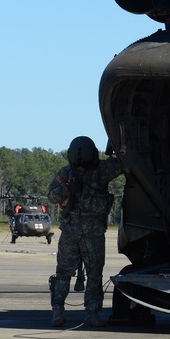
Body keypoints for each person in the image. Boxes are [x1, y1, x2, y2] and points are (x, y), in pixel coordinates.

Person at [47, 136, 123, 327]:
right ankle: (58, 311)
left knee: (95, 274)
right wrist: (67, 191)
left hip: (93, 232)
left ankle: (92, 313)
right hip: (71, 231)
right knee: (63, 272)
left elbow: (123, 163)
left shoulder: (102, 170)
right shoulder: (66, 173)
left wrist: (117, 146)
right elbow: (51, 195)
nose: (81, 168)